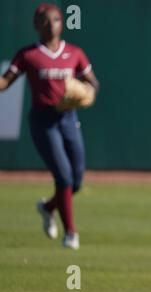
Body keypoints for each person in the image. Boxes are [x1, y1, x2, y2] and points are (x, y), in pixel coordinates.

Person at [0, 3, 99, 249]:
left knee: (76, 180)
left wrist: (86, 92)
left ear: (62, 23)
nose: (50, 24)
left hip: (68, 119)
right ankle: (71, 233)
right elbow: (5, 82)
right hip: (43, 121)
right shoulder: (28, 55)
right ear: (36, 25)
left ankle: (47, 207)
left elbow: (93, 83)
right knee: (63, 176)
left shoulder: (74, 52)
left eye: (55, 19)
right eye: (44, 20)